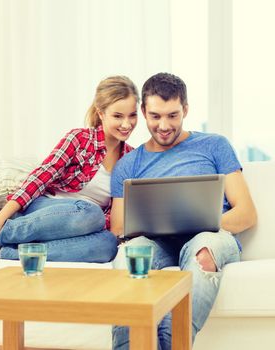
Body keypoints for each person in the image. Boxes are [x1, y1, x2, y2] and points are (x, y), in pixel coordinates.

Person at [110, 73, 257, 349]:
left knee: (204, 249)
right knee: (129, 255)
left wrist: (196, 221)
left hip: (211, 236)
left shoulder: (214, 146)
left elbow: (246, 213)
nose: (164, 126)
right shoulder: (129, 165)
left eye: (173, 116)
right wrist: (158, 222)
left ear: (185, 110)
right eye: (155, 116)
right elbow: (118, 227)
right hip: (157, 243)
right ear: (143, 112)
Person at [0, 76, 139, 262]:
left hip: (81, 226)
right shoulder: (79, 139)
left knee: (107, 244)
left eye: (132, 115)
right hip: (46, 210)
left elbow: (115, 223)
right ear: (101, 113)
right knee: (91, 213)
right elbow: (39, 178)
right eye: (118, 116)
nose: (127, 124)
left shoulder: (130, 159)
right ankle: (5, 233)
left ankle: (9, 254)